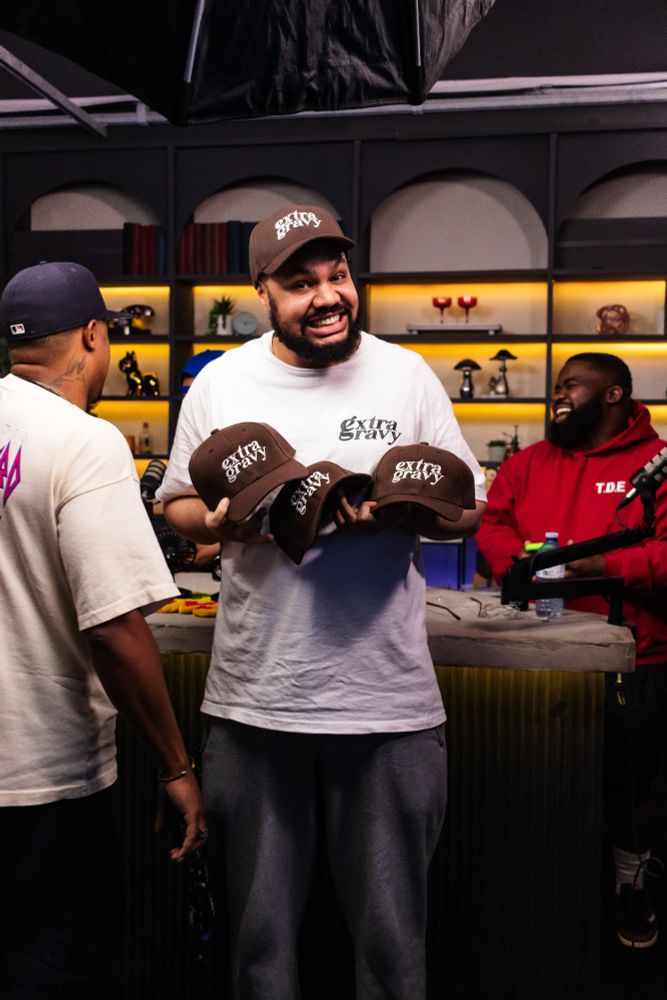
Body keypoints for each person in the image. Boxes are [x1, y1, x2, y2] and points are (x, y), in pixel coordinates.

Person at [157, 204, 487, 1000]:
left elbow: (467, 504)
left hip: (387, 707)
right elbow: (177, 506)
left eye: (336, 276)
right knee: (259, 951)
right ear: (262, 292)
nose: (327, 296)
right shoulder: (223, 381)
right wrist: (229, 521)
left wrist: (405, 511)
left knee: (390, 951)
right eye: (300, 284)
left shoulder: (404, 374)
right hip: (254, 705)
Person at [0, 261, 208, 999]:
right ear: (94, 336)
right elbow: (116, 629)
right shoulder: (85, 442)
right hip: (40, 775)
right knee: (52, 972)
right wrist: (176, 766)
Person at [475, 352, 667, 950]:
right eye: (555, 386)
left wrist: (604, 563)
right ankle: (545, 897)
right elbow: (492, 523)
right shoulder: (530, 462)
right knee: (535, 783)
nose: (558, 395)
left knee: (630, 784)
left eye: (572, 386)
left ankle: (631, 883)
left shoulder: (655, 466)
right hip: (534, 651)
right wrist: (526, 567)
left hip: (635, 657)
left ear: (613, 396)